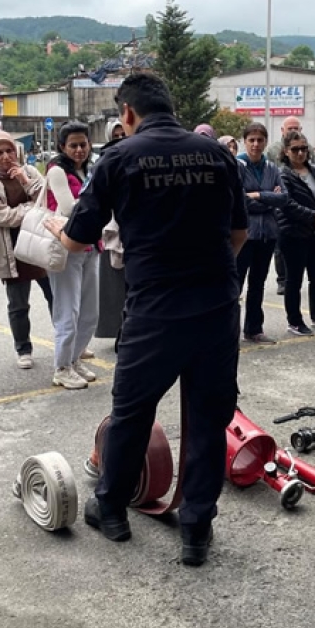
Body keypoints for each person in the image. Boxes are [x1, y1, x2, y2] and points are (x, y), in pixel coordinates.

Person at [48, 71, 247, 567]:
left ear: (128, 113)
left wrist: (52, 223)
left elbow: (78, 238)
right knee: (207, 417)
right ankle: (196, 528)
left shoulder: (119, 157)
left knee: (133, 412)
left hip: (156, 310)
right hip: (216, 307)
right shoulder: (218, 154)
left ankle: (112, 509)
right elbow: (239, 233)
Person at [0, 132, 54, 370]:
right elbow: (1, 216)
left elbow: (47, 200)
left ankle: (71, 343)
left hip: (41, 244)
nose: (6, 157)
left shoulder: (29, 171)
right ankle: (24, 349)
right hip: (12, 250)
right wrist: (30, 208)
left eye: (9, 151)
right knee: (18, 304)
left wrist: (25, 181)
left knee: (57, 297)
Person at [45, 121, 100, 388]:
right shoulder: (57, 171)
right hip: (66, 248)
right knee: (68, 310)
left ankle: (75, 358)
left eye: (83, 144)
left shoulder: (88, 170)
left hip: (92, 247)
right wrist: (99, 201)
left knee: (90, 312)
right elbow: (68, 208)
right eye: (73, 145)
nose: (79, 150)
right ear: (62, 147)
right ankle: (62, 367)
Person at [275, 129, 315, 336]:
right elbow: (287, 203)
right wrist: (314, 216)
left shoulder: (312, 170)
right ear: (286, 151)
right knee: (294, 280)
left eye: (303, 149)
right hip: (292, 233)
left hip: (313, 232)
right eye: (295, 150)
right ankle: (294, 321)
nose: (300, 153)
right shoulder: (282, 174)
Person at [236, 123, 288, 343]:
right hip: (244, 235)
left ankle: (253, 329)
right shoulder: (237, 166)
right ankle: (228, 330)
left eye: (260, 140)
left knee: (258, 284)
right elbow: (240, 200)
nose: (256, 144)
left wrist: (257, 195)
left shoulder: (272, 168)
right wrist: (267, 197)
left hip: (267, 234)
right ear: (245, 141)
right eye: (252, 140)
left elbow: (284, 197)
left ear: (266, 141)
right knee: (235, 284)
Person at [93, 119, 127, 342]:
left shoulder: (139, 158)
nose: (121, 139)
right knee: (114, 289)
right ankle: (117, 332)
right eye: (116, 135)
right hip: (112, 232)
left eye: (124, 134)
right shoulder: (104, 161)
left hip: (137, 235)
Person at [271, 115, 302, 294]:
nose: (293, 131)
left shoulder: (307, 148)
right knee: (280, 245)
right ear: (282, 131)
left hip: (300, 202)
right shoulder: (273, 150)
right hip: (280, 202)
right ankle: (282, 279)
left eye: (296, 128)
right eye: (290, 129)